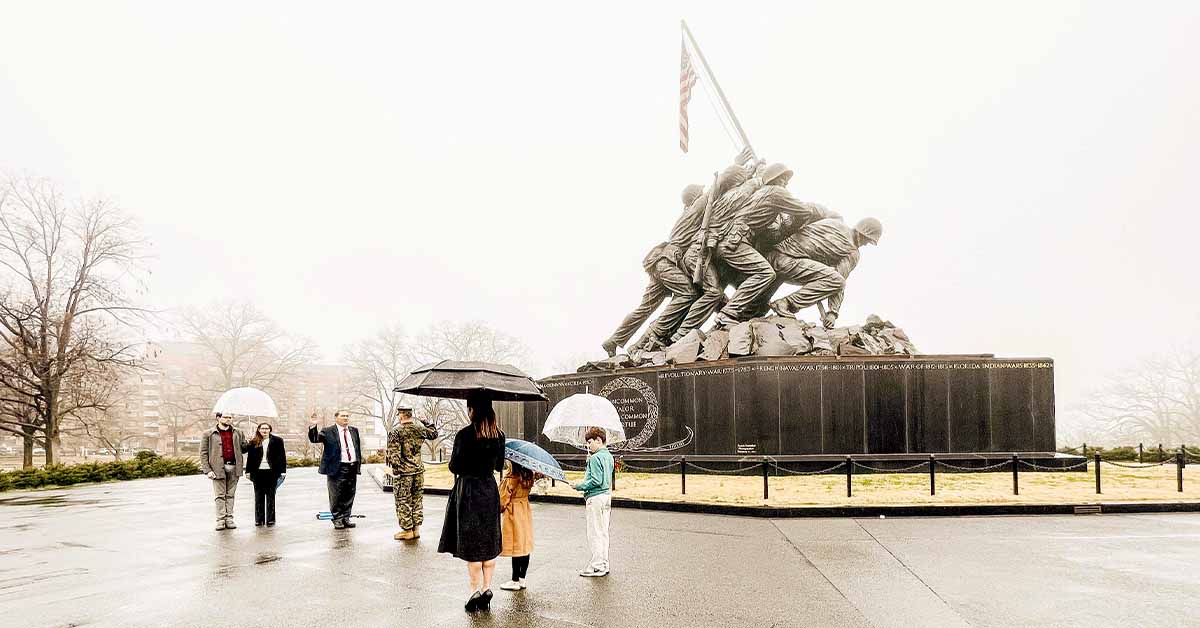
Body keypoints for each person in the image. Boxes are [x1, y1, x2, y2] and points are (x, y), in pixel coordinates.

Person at [438, 392, 506, 613]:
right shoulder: (499, 435)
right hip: (489, 489)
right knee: (488, 540)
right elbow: (499, 466)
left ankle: (474, 591)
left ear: (472, 411)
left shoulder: (464, 435)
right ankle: (487, 588)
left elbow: (454, 467)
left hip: (468, 491)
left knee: (473, 543)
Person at [765, 217, 883, 327]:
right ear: (863, 233)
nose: (866, 243)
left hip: (770, 257)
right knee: (836, 280)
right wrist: (833, 313)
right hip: (787, 263)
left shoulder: (833, 223)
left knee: (754, 312)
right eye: (868, 240)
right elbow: (838, 280)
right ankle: (786, 303)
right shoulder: (852, 251)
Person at [386, 406, 439, 541]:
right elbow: (434, 434)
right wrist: (425, 421)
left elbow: (394, 454)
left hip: (404, 473)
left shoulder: (396, 432)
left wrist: (395, 471)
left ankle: (407, 530)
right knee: (416, 500)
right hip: (418, 471)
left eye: (399, 414)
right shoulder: (420, 429)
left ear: (402, 415)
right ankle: (416, 529)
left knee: (403, 500)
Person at [308, 409, 363, 530]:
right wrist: (313, 425)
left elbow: (357, 447)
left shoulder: (354, 431)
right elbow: (315, 439)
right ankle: (337, 518)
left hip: (352, 466)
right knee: (336, 495)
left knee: (349, 493)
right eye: (343, 416)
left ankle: (345, 517)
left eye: (347, 416)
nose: (345, 418)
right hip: (336, 467)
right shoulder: (328, 431)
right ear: (336, 418)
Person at [572, 427, 614, 577]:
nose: (588, 446)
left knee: (594, 532)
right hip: (606, 497)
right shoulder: (608, 456)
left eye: (590, 442)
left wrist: (579, 486)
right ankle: (603, 563)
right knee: (603, 532)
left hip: (595, 498)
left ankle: (597, 566)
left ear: (598, 440)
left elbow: (595, 480)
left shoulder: (595, 458)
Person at [199, 412, 245, 531]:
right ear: (218, 418)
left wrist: (249, 443)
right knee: (219, 496)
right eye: (226, 417)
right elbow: (203, 453)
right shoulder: (208, 433)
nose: (229, 419)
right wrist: (207, 470)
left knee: (230, 495)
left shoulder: (238, 432)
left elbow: (243, 449)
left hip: (234, 468)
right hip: (217, 468)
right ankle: (220, 520)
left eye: (230, 417)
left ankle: (229, 519)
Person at [498, 461, 536, 591]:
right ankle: (522, 579)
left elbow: (502, 501)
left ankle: (514, 580)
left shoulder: (510, 479)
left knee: (516, 546)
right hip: (525, 509)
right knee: (524, 545)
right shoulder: (528, 476)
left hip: (513, 512)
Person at [242, 422, 286, 527]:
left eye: (267, 428)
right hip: (257, 472)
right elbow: (250, 458)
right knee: (258, 497)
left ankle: (271, 519)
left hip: (272, 472)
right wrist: (248, 471)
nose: (264, 430)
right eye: (262, 428)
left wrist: (283, 471)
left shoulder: (277, 441)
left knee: (271, 496)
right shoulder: (254, 441)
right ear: (259, 430)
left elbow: (282, 456)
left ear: (270, 429)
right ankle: (259, 520)